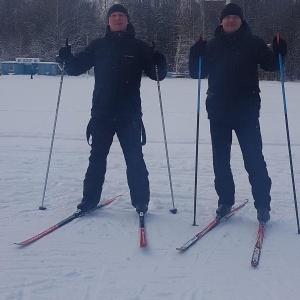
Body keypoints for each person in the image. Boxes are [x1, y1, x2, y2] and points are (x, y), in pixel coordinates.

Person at [57, 4, 167, 214]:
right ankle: (89, 200)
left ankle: (141, 201)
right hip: (102, 114)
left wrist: (159, 62)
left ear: (127, 20)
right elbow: (75, 68)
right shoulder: (98, 46)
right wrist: (66, 58)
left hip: (130, 115)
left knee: (135, 159)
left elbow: (157, 74)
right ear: (108, 21)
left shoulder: (139, 47)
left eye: (121, 16)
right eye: (113, 16)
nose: (117, 19)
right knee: (96, 158)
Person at [189, 3, 287, 223]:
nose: (231, 20)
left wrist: (280, 52)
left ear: (241, 20)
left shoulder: (254, 43)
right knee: (220, 162)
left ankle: (263, 204)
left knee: (254, 160)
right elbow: (197, 73)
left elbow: (273, 65)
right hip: (218, 113)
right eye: (227, 17)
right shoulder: (211, 45)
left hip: (246, 112)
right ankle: (225, 201)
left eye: (235, 17)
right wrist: (195, 56)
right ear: (221, 21)